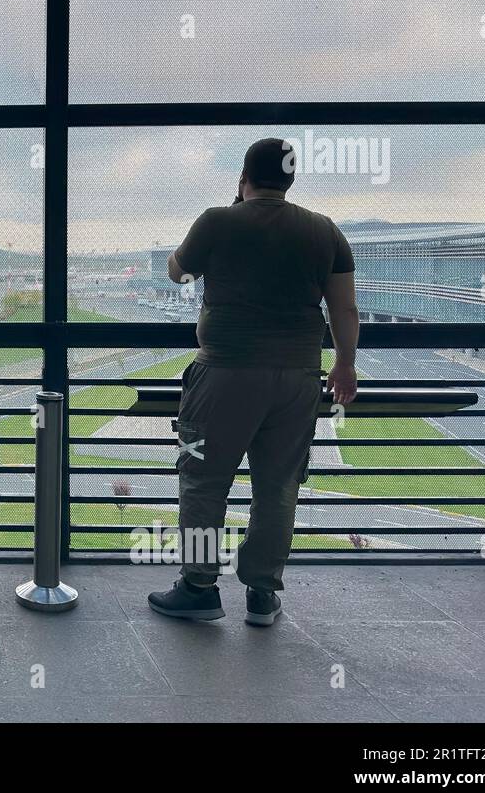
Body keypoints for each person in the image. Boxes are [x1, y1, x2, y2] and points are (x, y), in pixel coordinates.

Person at [148, 138, 359, 627]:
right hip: (299, 376)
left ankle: (199, 586)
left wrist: (228, 216)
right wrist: (345, 363)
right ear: (291, 178)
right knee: (279, 485)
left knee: (203, 480)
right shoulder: (324, 231)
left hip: (224, 371)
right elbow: (343, 307)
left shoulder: (218, 220)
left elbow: (178, 272)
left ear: (243, 176)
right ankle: (262, 593)